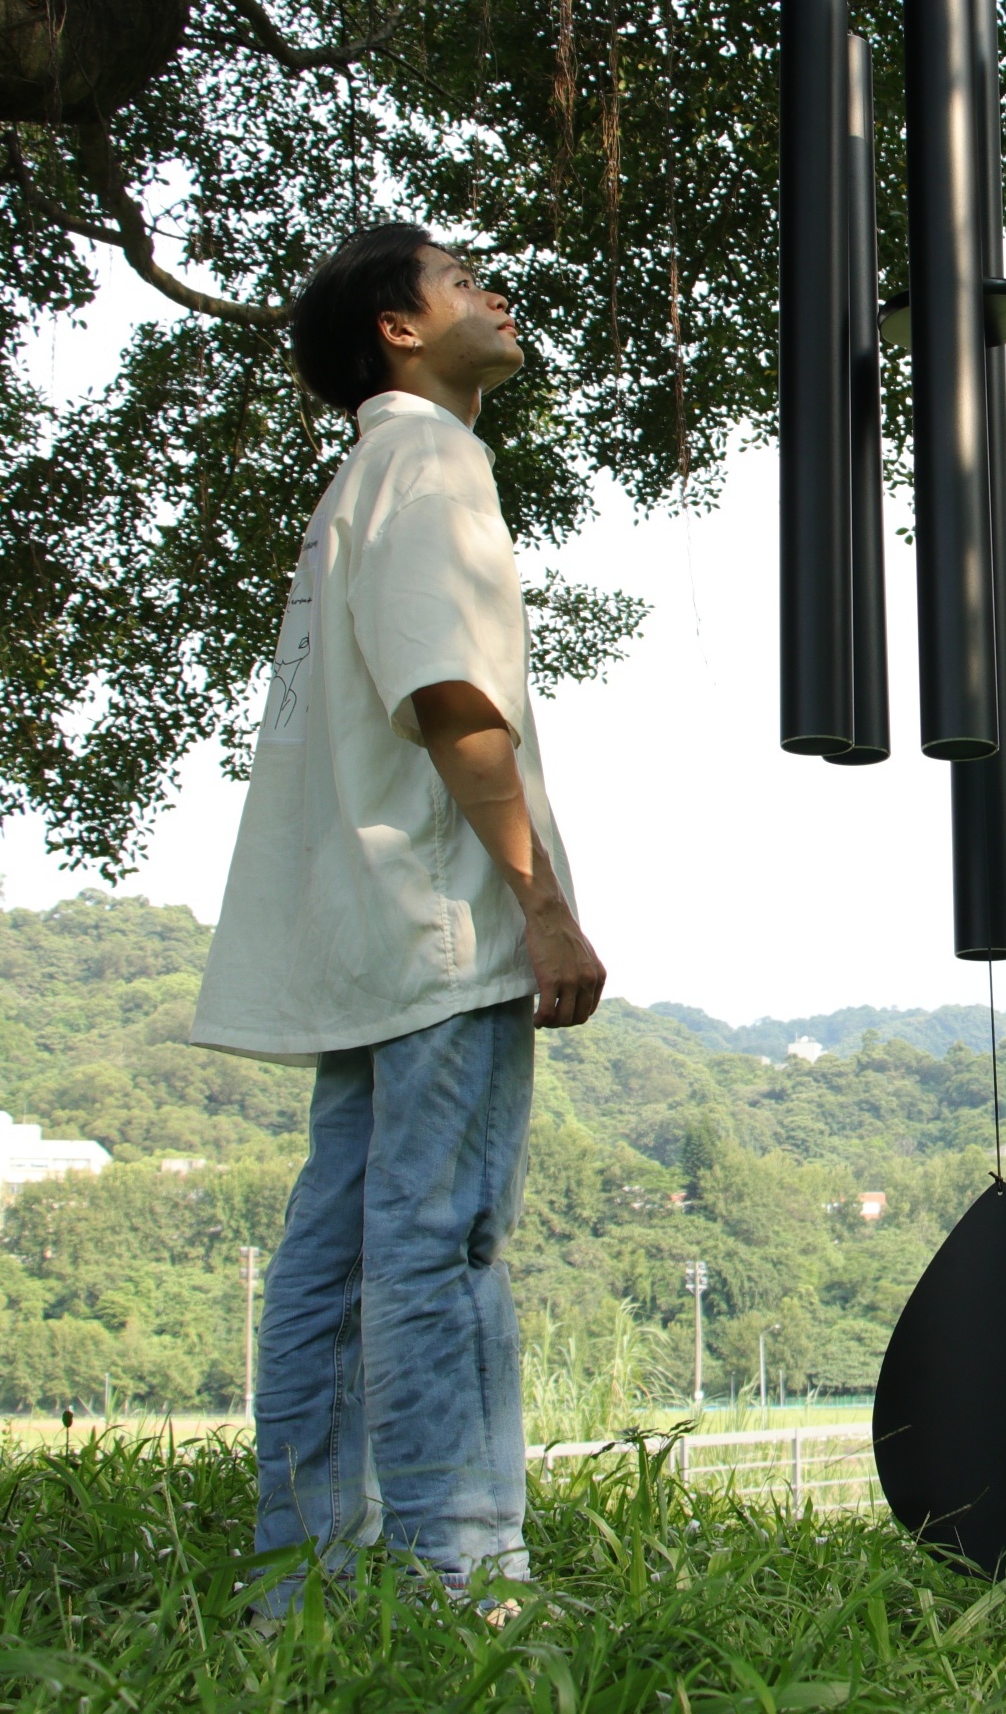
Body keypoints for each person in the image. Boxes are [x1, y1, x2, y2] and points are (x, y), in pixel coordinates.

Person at [191, 224, 606, 1617]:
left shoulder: (353, 481)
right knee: (442, 1242)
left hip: (363, 930)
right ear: (401, 332)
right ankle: (462, 1577)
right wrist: (540, 906)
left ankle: (303, 1581)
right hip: (440, 925)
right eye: (461, 279)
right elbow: (451, 698)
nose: (497, 291)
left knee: (338, 1253)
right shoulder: (429, 459)